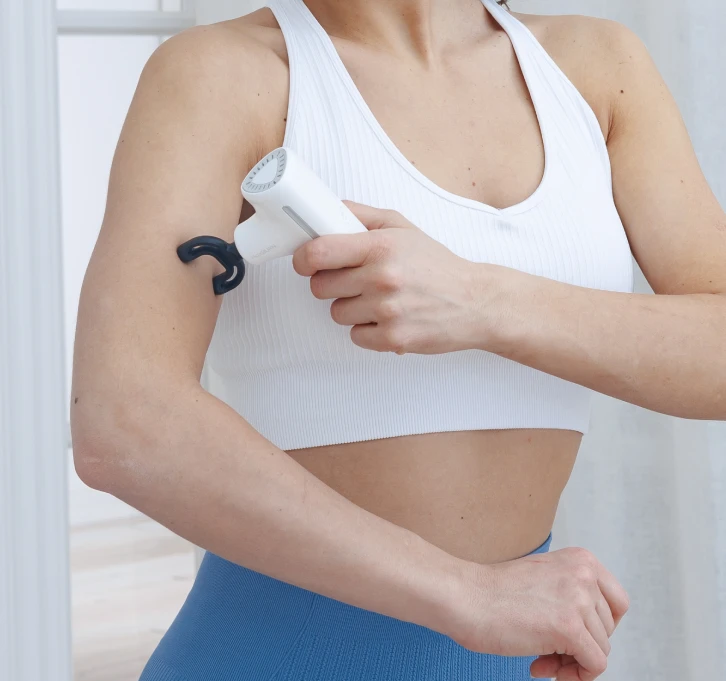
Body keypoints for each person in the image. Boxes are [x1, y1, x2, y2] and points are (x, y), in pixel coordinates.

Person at [69, 0, 726, 679]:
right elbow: (125, 421)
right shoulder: (226, 73)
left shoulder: (596, 68)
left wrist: (482, 299)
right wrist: (467, 594)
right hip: (280, 656)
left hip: (518, 654)